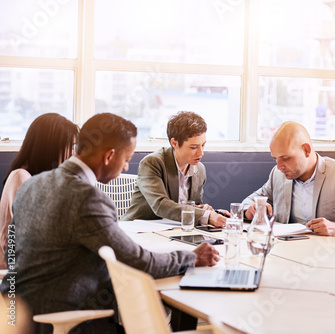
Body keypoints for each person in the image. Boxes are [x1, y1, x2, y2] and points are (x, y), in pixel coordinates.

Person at [0, 113, 220, 333]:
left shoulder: (33, 183)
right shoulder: (87, 197)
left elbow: (13, 249)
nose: (125, 168)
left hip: (14, 311)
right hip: (62, 318)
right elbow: (137, 261)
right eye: (126, 159)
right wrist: (191, 257)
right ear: (109, 156)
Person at [242, 121, 335, 245]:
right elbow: (247, 203)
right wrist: (249, 210)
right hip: (294, 255)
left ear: (306, 150)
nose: (279, 166)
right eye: (275, 159)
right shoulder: (278, 175)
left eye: (285, 158)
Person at [0, 113, 79, 270]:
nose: (73, 154)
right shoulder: (21, 177)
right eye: (70, 147)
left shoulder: (38, 177)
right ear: (50, 146)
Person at [122, 111, 227, 227]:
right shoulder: (152, 163)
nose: (201, 153)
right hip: (139, 228)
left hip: (175, 229)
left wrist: (206, 211)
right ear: (174, 143)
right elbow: (160, 205)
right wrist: (205, 215)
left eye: (203, 145)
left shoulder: (199, 169)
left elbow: (194, 207)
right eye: (193, 147)